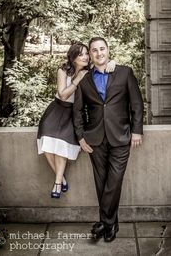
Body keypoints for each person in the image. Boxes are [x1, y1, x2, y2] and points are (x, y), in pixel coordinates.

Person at [73, 37, 144, 242]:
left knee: (114, 182)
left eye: (102, 49)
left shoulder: (124, 72)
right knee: (101, 183)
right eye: (94, 50)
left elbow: (136, 103)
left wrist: (137, 130)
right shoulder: (83, 79)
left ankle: (104, 223)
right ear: (90, 55)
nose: (98, 53)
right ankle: (111, 225)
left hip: (122, 136)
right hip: (94, 138)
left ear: (108, 50)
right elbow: (77, 110)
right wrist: (80, 137)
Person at [37, 42, 115, 199]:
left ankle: (58, 182)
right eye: (81, 54)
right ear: (73, 57)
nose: (86, 57)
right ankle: (62, 179)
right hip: (56, 110)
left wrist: (112, 62)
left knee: (61, 145)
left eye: (87, 53)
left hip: (72, 114)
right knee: (46, 143)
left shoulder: (90, 72)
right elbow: (63, 94)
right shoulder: (63, 70)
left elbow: (106, 63)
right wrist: (77, 79)